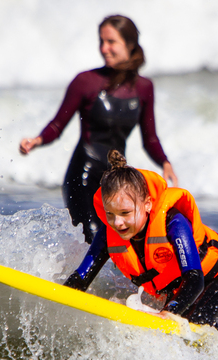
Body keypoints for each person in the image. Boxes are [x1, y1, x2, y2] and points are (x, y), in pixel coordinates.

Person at [19, 15, 178, 244]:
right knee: (93, 238)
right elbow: (57, 124)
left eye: (111, 41)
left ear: (130, 44)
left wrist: (164, 162)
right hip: (83, 174)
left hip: (115, 178)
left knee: (122, 240)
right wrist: (38, 140)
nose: (104, 48)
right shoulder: (85, 81)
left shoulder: (144, 88)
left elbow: (149, 137)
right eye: (101, 41)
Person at [64, 150, 218, 330]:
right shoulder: (108, 232)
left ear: (147, 204)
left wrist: (169, 312)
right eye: (110, 214)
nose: (117, 222)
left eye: (125, 213)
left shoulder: (173, 223)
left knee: (191, 326)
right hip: (179, 287)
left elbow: (194, 279)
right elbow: (81, 278)